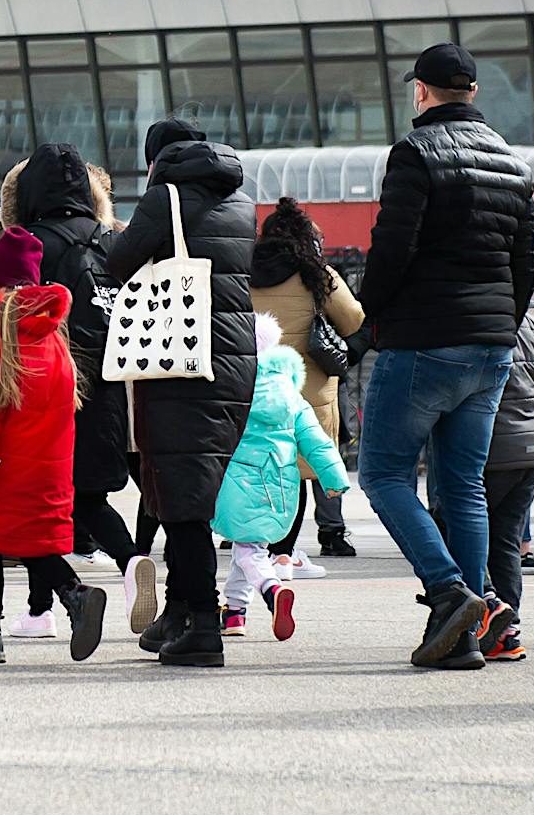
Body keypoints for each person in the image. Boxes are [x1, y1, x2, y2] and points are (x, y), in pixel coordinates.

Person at [356, 43, 534, 670]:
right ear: (474, 92)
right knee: (464, 486)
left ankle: (449, 590)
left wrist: (367, 316)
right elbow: (527, 261)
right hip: (491, 347)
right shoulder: (512, 162)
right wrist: (502, 327)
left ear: (422, 92)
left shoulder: (414, 153)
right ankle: (474, 623)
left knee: (382, 475)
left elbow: (391, 249)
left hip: (423, 341)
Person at [107, 118, 257, 670]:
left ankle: (202, 627)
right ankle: (177, 613)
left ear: (155, 160)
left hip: (179, 357)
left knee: (183, 499)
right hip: (235, 360)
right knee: (187, 486)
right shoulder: (241, 203)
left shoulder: (161, 198)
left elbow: (117, 262)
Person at [6, 144, 158, 631]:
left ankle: (44, 608)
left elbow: (5, 319)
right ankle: (130, 563)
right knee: (86, 491)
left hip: (48, 381)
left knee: (36, 496)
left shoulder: (27, 241)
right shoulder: (110, 239)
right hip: (112, 379)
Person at [0, 226, 106, 665]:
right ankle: (69, 598)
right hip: (48, 458)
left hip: (4, 459)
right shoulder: (52, 335)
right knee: (27, 538)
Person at [212, 314, 349, 640]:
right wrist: (334, 479)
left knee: (248, 551)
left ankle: (271, 589)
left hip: (237, 481)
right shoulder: (292, 395)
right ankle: (234, 614)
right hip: (282, 484)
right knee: (249, 545)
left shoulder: (233, 389)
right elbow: (316, 441)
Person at [252, 196, 365, 571]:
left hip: (254, 389)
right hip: (308, 390)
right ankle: (283, 552)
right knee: (299, 471)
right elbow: (352, 320)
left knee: (261, 470)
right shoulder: (318, 275)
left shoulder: (245, 273)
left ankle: (258, 548)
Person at [481, 296, 534, 659]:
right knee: (507, 540)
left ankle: (488, 614)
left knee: (469, 531)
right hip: (531, 446)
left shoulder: (482, 323)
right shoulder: (533, 325)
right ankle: (509, 630)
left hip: (494, 446)